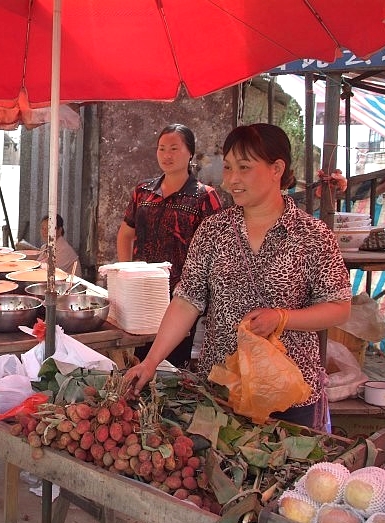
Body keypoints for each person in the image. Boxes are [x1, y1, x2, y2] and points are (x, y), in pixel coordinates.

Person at [124, 123, 352, 430]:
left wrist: (282, 318)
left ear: (277, 169)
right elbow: (186, 302)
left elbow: (339, 307)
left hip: (288, 395)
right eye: (228, 168)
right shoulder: (214, 230)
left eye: (244, 168)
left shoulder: (312, 235)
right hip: (223, 392)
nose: (232, 180)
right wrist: (150, 362)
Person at [116, 124, 222, 367]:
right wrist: (125, 273)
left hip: (182, 295)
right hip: (141, 289)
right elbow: (125, 235)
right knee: (136, 354)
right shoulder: (142, 192)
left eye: (174, 148)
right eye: (162, 148)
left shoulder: (205, 196)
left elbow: (217, 248)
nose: (167, 155)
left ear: (190, 153)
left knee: (172, 362)